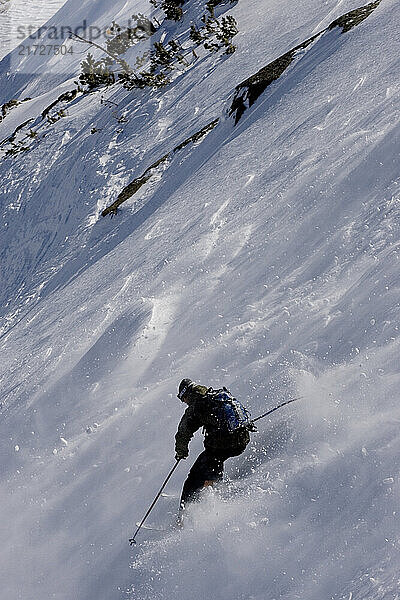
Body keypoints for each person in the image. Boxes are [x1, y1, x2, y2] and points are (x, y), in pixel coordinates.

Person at [175, 378, 253, 516]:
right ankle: (213, 486)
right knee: (214, 460)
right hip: (242, 440)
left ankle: (184, 517)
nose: (184, 402)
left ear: (187, 395)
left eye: (183, 399)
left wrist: (181, 452)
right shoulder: (218, 396)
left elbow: (183, 432)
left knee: (193, 478)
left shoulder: (197, 406)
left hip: (223, 445)